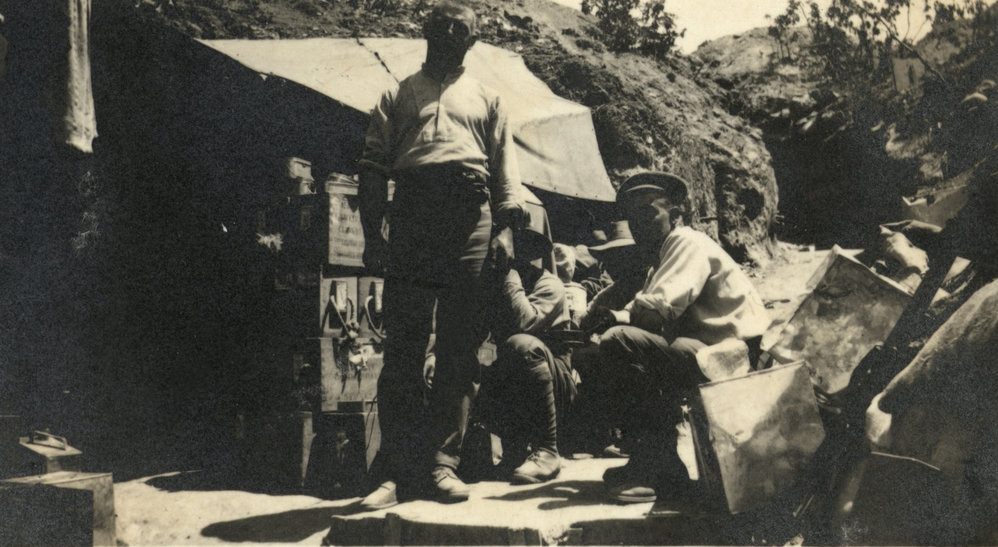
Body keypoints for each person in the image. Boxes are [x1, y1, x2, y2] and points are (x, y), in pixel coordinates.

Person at [355, 2, 527, 510]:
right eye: (442, 25)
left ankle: (440, 465)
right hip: (412, 218)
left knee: (458, 347)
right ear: (426, 31)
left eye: (462, 29)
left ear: (472, 41)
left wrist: (505, 230)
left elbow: (504, 169)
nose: (451, 33)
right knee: (404, 346)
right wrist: (371, 235)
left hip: (471, 220)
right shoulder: (397, 93)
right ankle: (395, 470)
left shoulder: (489, 97)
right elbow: (371, 166)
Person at [589, 172, 771, 503]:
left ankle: (657, 466)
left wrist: (616, 319)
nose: (639, 225)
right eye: (633, 218)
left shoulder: (685, 242)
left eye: (648, 213)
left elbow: (654, 313)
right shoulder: (662, 255)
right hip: (711, 353)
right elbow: (643, 310)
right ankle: (654, 461)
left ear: (675, 214)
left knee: (620, 342)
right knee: (609, 345)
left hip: (731, 357)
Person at [479, 211, 575, 484]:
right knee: (465, 370)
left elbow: (524, 322)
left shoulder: (549, 284)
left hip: (556, 389)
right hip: (519, 383)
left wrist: (509, 276)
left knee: (521, 346)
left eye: (518, 248)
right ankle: (511, 453)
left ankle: (548, 450)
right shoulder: (497, 285)